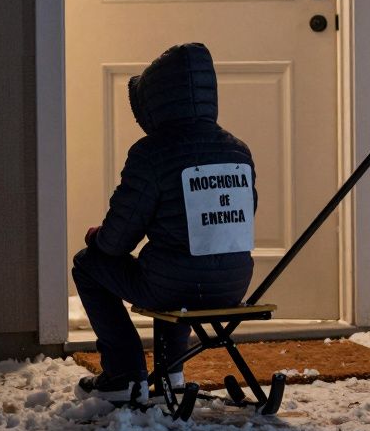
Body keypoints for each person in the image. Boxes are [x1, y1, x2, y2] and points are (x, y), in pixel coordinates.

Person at [72, 43, 257, 405]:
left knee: (89, 264)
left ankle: (124, 376)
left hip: (173, 286)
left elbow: (117, 242)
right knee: (174, 265)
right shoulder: (238, 150)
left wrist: (97, 238)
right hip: (233, 284)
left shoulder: (151, 152)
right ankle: (171, 372)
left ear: (155, 102)